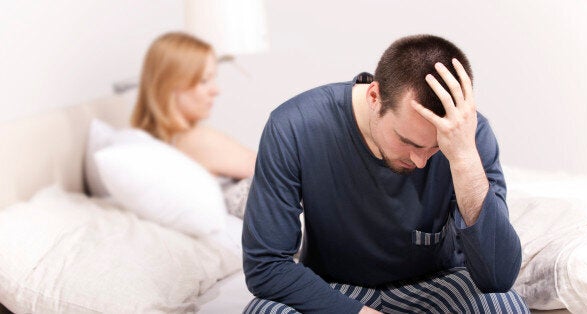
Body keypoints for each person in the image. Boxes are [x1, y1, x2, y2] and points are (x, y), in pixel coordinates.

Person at [242, 34, 528, 313]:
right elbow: (266, 266)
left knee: (504, 307)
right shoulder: (294, 126)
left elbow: (498, 278)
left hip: (435, 284)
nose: (420, 161)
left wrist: (464, 157)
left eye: (435, 148)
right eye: (408, 141)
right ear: (374, 96)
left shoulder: (470, 136)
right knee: (265, 311)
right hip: (333, 288)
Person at [131, 32, 256, 180]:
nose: (216, 90)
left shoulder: (159, 146)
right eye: (204, 80)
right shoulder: (197, 140)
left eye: (213, 79)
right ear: (169, 86)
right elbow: (283, 172)